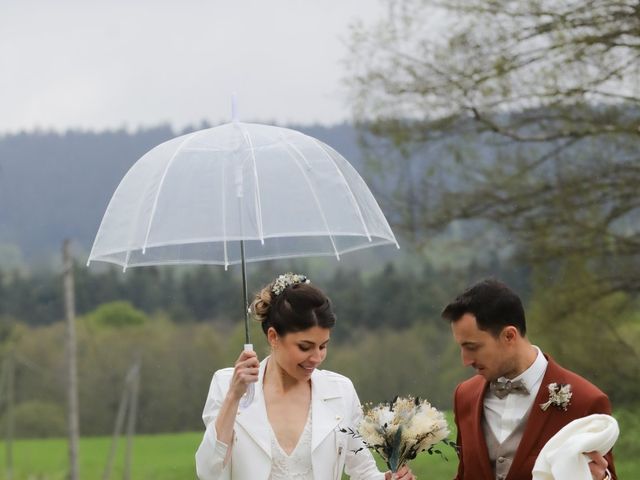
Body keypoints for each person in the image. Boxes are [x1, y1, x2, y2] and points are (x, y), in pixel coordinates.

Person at [195, 273, 414, 480]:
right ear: (273, 336)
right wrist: (234, 396)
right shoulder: (226, 385)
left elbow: (363, 471)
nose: (316, 358)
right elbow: (208, 470)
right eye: (305, 347)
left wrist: (386, 478)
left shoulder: (341, 391)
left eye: (323, 346)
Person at [442, 278, 616, 480]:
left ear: (509, 336)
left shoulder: (586, 401)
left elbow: (604, 473)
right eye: (461, 347)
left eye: (472, 347)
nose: (465, 360)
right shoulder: (465, 396)